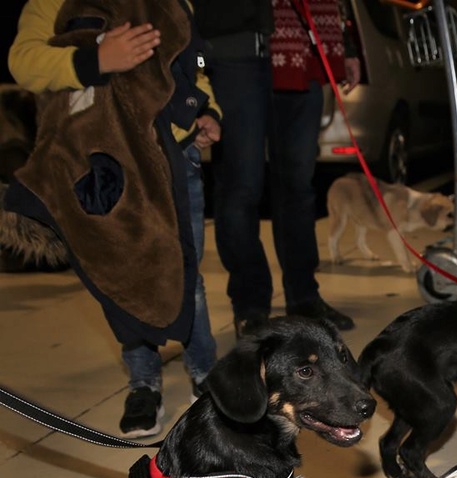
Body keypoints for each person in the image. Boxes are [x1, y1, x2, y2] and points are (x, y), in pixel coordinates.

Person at [7, 0, 222, 438]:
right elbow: (23, 62)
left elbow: (192, 65)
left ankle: (207, 373)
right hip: (107, 165)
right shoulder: (50, 2)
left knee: (186, 272)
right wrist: (96, 60)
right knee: (123, 277)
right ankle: (144, 383)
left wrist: (206, 112)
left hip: (177, 156)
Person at [193, 0, 360, 336]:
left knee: (298, 184)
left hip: (303, 49)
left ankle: (303, 296)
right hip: (232, 51)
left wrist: (348, 45)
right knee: (242, 185)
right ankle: (250, 304)